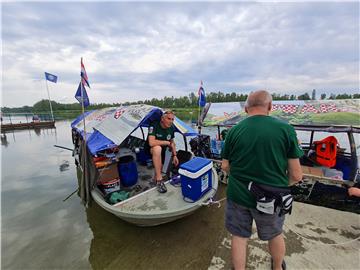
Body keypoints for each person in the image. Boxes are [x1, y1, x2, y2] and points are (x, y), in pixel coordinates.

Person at [221, 90, 303, 270]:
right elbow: (297, 175)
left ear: (246, 108)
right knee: (275, 235)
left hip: (238, 195)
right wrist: (279, 185)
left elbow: (225, 166)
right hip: (272, 198)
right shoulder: (286, 130)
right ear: (270, 107)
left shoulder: (233, 131)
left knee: (239, 236)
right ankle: (276, 267)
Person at [147, 110, 179, 193]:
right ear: (162, 119)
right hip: (150, 148)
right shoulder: (154, 125)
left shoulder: (171, 128)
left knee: (160, 167)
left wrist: (175, 155)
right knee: (157, 148)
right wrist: (165, 142)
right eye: (169, 119)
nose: (171, 121)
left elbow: (172, 142)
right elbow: (151, 142)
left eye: (172, 119)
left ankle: (155, 181)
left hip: (162, 150)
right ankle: (159, 180)